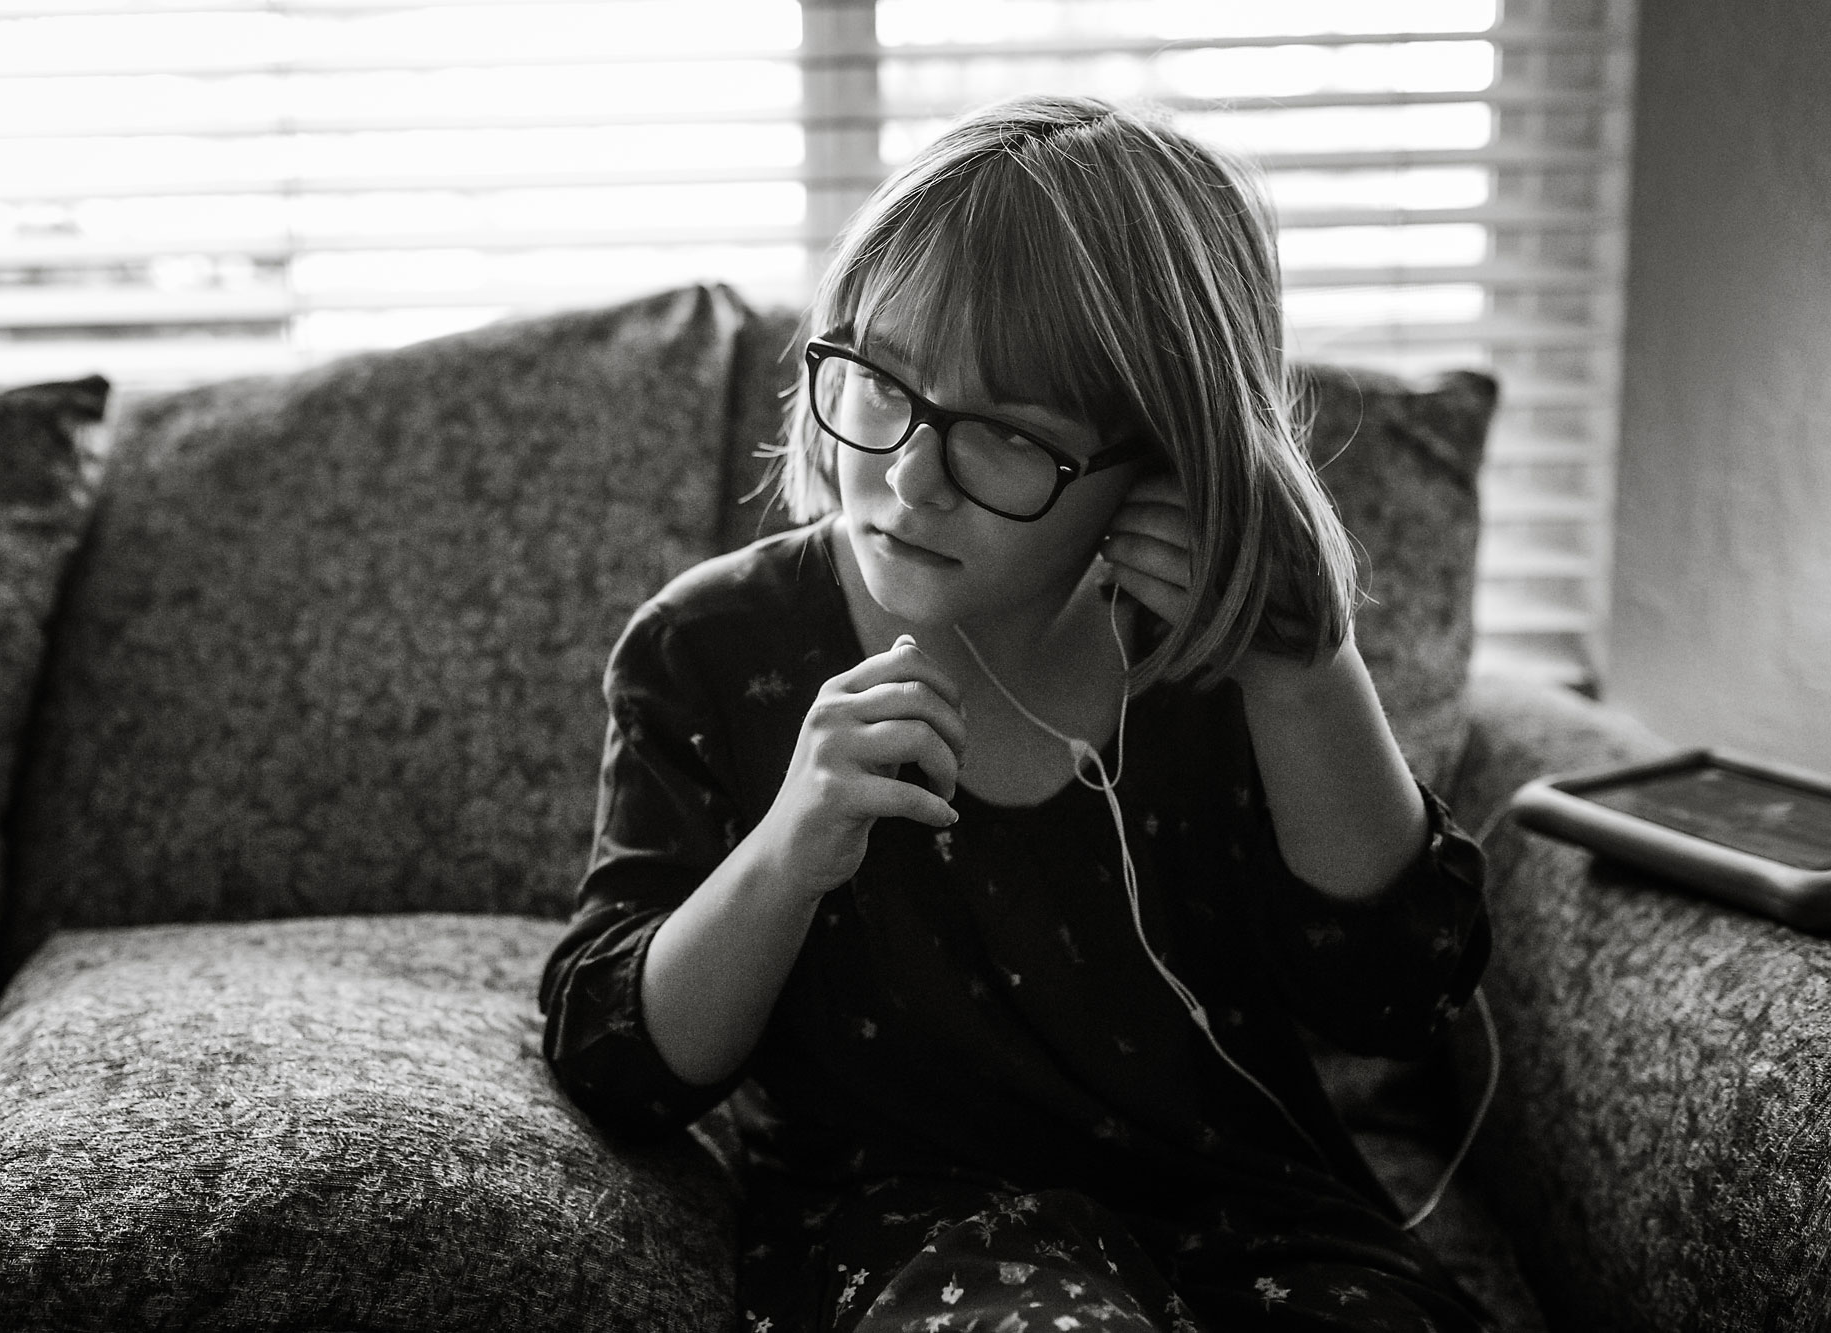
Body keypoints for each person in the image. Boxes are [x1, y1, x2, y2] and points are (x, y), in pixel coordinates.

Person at [539, 93, 1493, 1332]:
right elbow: (614, 1061)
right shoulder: (712, 650)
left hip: (1252, 1214)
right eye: (875, 381)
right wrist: (784, 855)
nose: (903, 474)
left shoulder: (1208, 657)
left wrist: (1306, 671)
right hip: (908, 1225)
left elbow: (1393, 995)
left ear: (1153, 465)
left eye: (1000, 435)